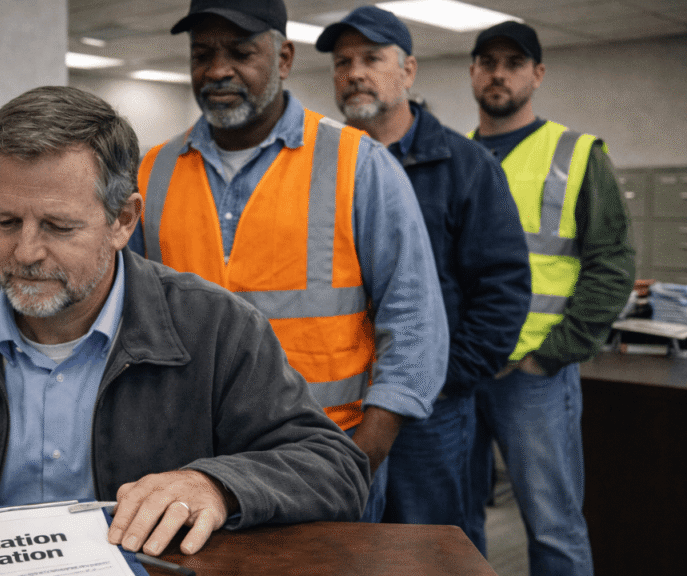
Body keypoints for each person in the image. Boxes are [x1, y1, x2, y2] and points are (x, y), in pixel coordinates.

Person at [0, 86, 371, 557]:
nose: (25, 252)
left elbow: (334, 466)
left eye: (57, 226)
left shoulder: (217, 328)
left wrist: (216, 486)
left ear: (124, 219)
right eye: (6, 222)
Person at [135, 0, 449, 522]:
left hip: (324, 458)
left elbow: (415, 321)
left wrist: (359, 458)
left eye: (240, 52)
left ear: (283, 58)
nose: (217, 70)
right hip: (188, 470)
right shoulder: (152, 171)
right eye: (202, 53)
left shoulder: (358, 164)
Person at [315, 6, 531, 539]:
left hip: (428, 413)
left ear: (408, 70)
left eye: (371, 58)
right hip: (338, 408)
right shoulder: (319, 168)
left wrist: (441, 381)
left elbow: (502, 290)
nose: (355, 73)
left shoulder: (465, 165)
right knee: (344, 547)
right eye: (343, 62)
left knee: (431, 543)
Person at [466, 21, 635, 575]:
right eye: (487, 61)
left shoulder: (577, 153)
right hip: (461, 377)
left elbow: (611, 265)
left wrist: (553, 354)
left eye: (513, 63)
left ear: (536, 74)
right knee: (456, 524)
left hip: (532, 376)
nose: (498, 73)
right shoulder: (455, 158)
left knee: (553, 527)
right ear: (472, 71)